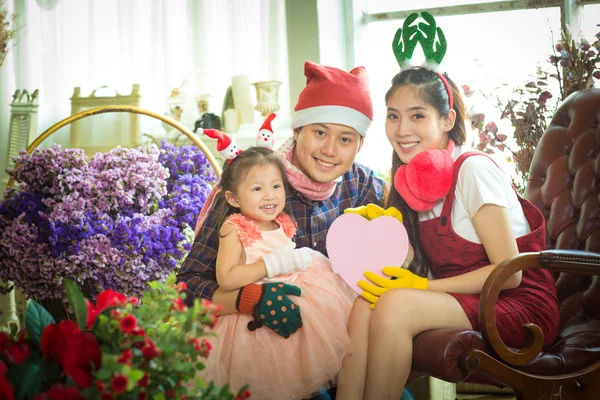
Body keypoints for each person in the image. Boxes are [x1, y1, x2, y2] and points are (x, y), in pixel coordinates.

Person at [335, 14, 560, 399]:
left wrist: (423, 286)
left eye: (417, 116)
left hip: (518, 306)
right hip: (465, 299)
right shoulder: (408, 181)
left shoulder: (472, 170)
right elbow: (415, 262)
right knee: (365, 304)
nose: (402, 130)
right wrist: (380, 233)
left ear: (447, 119)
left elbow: (510, 275)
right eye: (393, 116)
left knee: (394, 308)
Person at [177, 60, 386, 399]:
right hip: (266, 351)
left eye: (345, 139)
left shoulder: (364, 186)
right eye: (319, 132)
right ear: (298, 130)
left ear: (359, 145)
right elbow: (186, 286)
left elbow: (387, 268)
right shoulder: (255, 186)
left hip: (345, 346)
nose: (330, 150)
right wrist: (248, 299)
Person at [197, 145, 357, 399]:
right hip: (256, 322)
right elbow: (226, 278)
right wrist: (270, 266)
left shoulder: (281, 222)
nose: (269, 196)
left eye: (276, 186)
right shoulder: (234, 228)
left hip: (299, 310)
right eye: (257, 189)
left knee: (313, 370)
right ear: (233, 199)